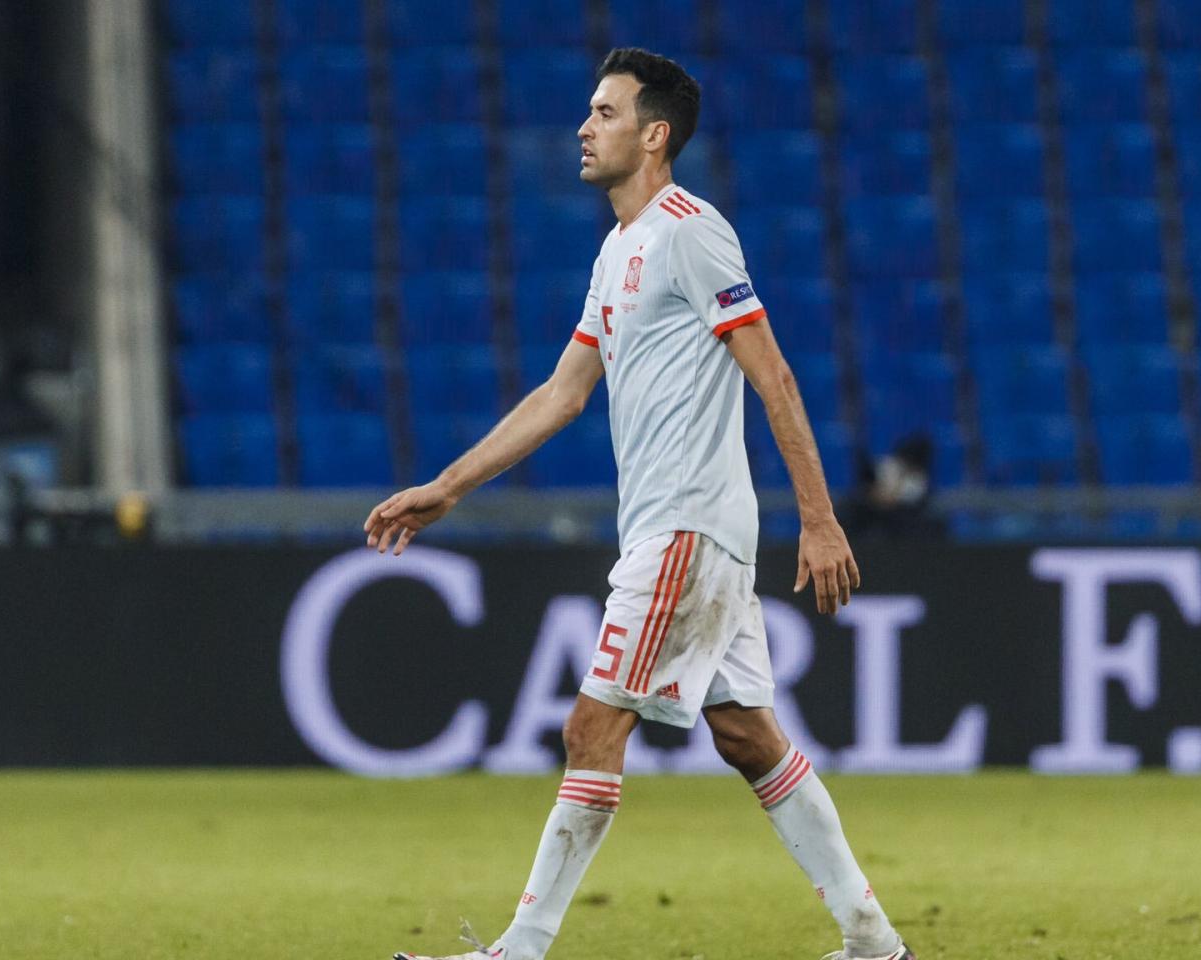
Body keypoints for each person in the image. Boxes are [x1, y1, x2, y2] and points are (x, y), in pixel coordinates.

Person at [367, 48, 914, 960]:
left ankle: (520, 949)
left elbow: (771, 372)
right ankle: (871, 939)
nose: (585, 127)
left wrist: (820, 519)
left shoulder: (690, 232)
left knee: (593, 727)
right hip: (687, 531)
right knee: (745, 735)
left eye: (606, 113)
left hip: (686, 529)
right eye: (589, 112)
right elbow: (561, 393)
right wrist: (445, 489)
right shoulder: (619, 249)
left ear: (654, 135)